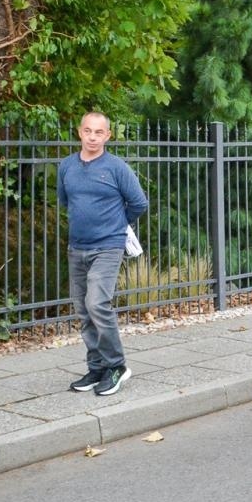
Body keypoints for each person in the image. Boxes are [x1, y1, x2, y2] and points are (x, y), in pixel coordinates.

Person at [59, 111, 149, 397]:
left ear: (108, 135)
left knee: (98, 303)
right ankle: (96, 366)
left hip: (108, 246)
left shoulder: (116, 168)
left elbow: (138, 203)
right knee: (84, 311)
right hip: (77, 247)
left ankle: (116, 366)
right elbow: (66, 201)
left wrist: (115, 223)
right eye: (88, 131)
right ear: (79, 132)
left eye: (99, 132)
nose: (93, 137)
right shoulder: (67, 167)